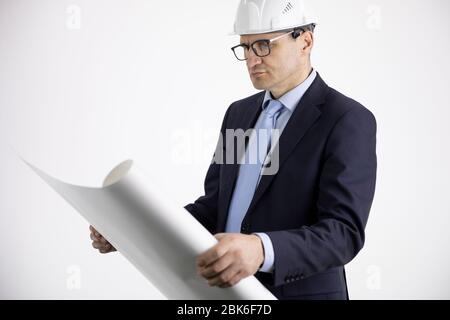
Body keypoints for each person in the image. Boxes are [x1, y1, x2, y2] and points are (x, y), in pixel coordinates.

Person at [90, 0, 377, 300]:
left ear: (305, 41)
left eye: (264, 45)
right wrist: (133, 231)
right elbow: (214, 209)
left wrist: (262, 249)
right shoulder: (239, 115)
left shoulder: (346, 119)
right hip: (226, 297)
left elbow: (343, 233)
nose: (252, 59)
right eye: (246, 48)